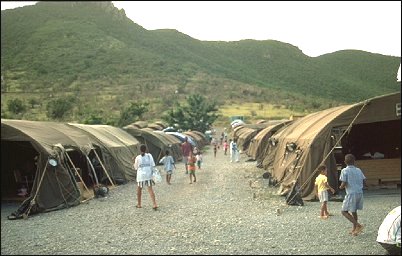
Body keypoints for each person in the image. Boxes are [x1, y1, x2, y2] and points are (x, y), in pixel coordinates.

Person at [339, 153, 367, 236]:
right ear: (354, 161)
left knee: (344, 211)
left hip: (351, 193)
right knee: (354, 211)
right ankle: (355, 229)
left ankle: (358, 225)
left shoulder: (344, 170)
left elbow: (344, 183)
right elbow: (364, 181)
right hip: (359, 193)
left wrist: (340, 187)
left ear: (345, 162)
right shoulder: (358, 170)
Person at [133, 144, 158, 210]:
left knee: (139, 190)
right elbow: (153, 165)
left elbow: (135, 167)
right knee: (150, 189)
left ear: (139, 150)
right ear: (146, 149)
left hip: (141, 176)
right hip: (148, 175)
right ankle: (154, 203)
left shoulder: (137, 157)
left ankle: (139, 204)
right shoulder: (149, 156)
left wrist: (134, 162)